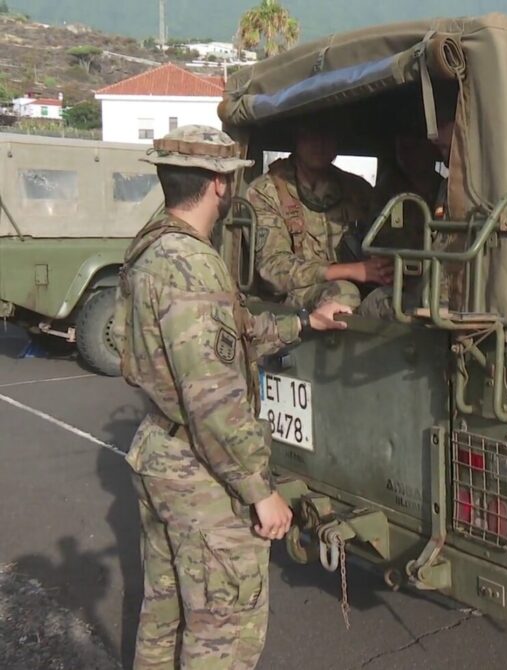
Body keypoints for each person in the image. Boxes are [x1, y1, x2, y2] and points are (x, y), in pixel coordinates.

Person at [116, 125, 351, 670]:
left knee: (164, 614)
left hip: (160, 451)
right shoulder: (192, 266)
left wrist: (303, 322)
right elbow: (214, 399)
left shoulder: (151, 244)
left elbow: (231, 335)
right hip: (201, 473)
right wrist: (258, 490)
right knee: (223, 635)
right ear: (220, 184)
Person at [247, 119, 394, 312]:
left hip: (358, 288)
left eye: (328, 134)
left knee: (394, 301)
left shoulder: (358, 190)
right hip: (287, 302)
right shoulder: (267, 191)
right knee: (343, 292)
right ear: (296, 137)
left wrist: (382, 267)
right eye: (310, 134)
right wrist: (350, 271)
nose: (319, 143)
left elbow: (384, 244)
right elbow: (273, 270)